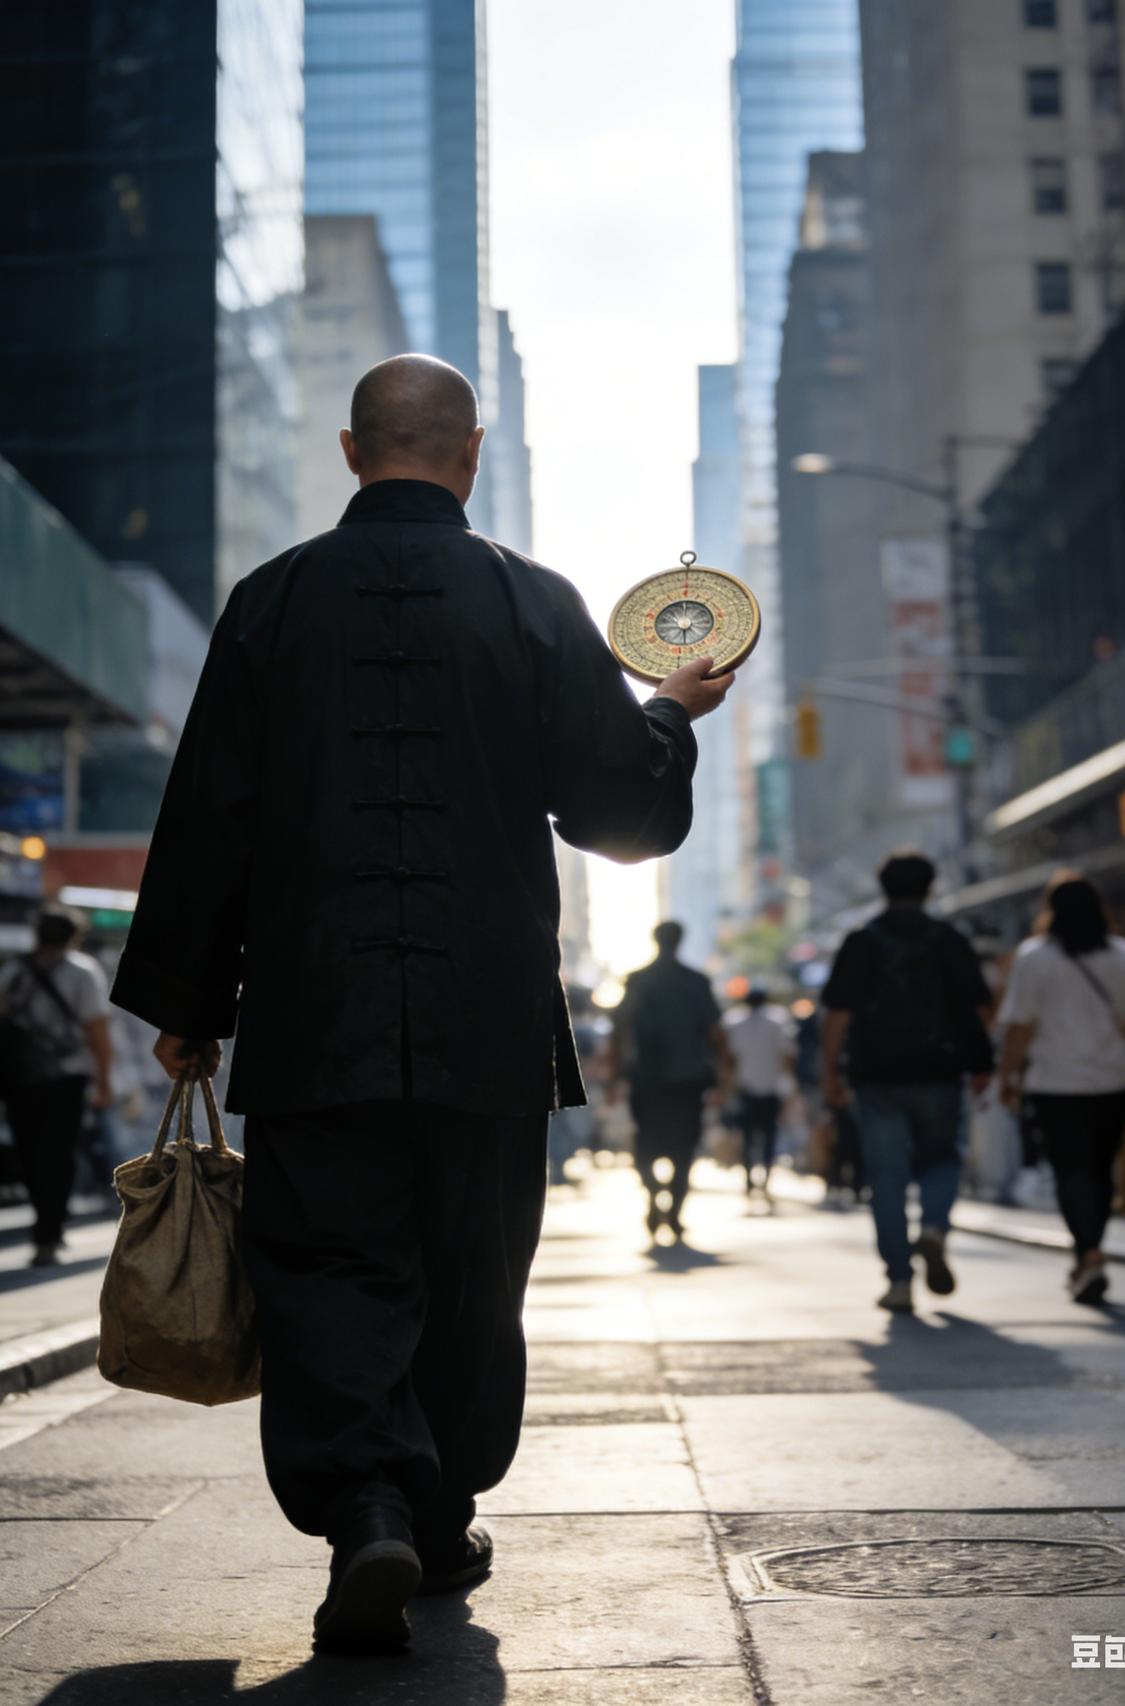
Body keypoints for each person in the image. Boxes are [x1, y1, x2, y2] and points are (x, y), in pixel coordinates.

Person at [109, 355, 734, 1655]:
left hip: (311, 1012)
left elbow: (210, 807)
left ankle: (372, 1504)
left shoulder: (272, 600)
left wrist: (185, 998)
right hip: (487, 1019)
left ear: (351, 450)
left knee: (330, 1267)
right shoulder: (529, 598)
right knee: (467, 1273)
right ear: (468, 451)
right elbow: (618, 809)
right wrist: (669, 712)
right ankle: (437, 1511)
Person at [821, 850, 993, 1312]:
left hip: (877, 1077)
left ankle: (899, 1280)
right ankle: (934, 1228)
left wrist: (829, 1073)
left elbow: (837, 1014)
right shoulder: (949, 939)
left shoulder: (862, 941)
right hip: (940, 1071)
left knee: (887, 1176)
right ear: (930, 887)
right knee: (941, 1158)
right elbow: (978, 1009)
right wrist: (982, 1065)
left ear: (883, 887)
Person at [997, 874, 1125, 1306]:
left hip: (1055, 1083)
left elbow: (1019, 1027)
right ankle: (1091, 1250)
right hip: (1113, 1081)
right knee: (1101, 1169)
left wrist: (1007, 1076)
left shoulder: (1034, 957)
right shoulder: (1122, 955)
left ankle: (1087, 1253)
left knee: (1071, 1169)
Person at [0, 904, 113, 1266]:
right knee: (58, 1153)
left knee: (29, 1151)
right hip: (66, 1077)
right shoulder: (82, 971)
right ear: (73, 936)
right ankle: (50, 1229)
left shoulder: (14, 971)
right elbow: (96, 1031)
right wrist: (104, 1081)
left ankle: (45, 1224)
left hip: (19, 1077)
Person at [609, 920, 727, 1238]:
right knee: (684, 1148)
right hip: (688, 1079)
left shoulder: (638, 980)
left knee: (645, 1142)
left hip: (647, 1078)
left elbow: (619, 1030)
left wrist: (613, 1075)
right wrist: (723, 1077)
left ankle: (654, 1198)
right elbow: (717, 1033)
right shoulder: (696, 981)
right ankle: (673, 1211)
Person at [724, 987, 793, 1199]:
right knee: (768, 1136)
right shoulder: (777, 1022)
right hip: (769, 1087)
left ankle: (749, 1178)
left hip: (746, 1087)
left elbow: (730, 1058)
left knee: (747, 1136)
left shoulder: (735, 1022)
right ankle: (765, 1178)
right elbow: (787, 1055)